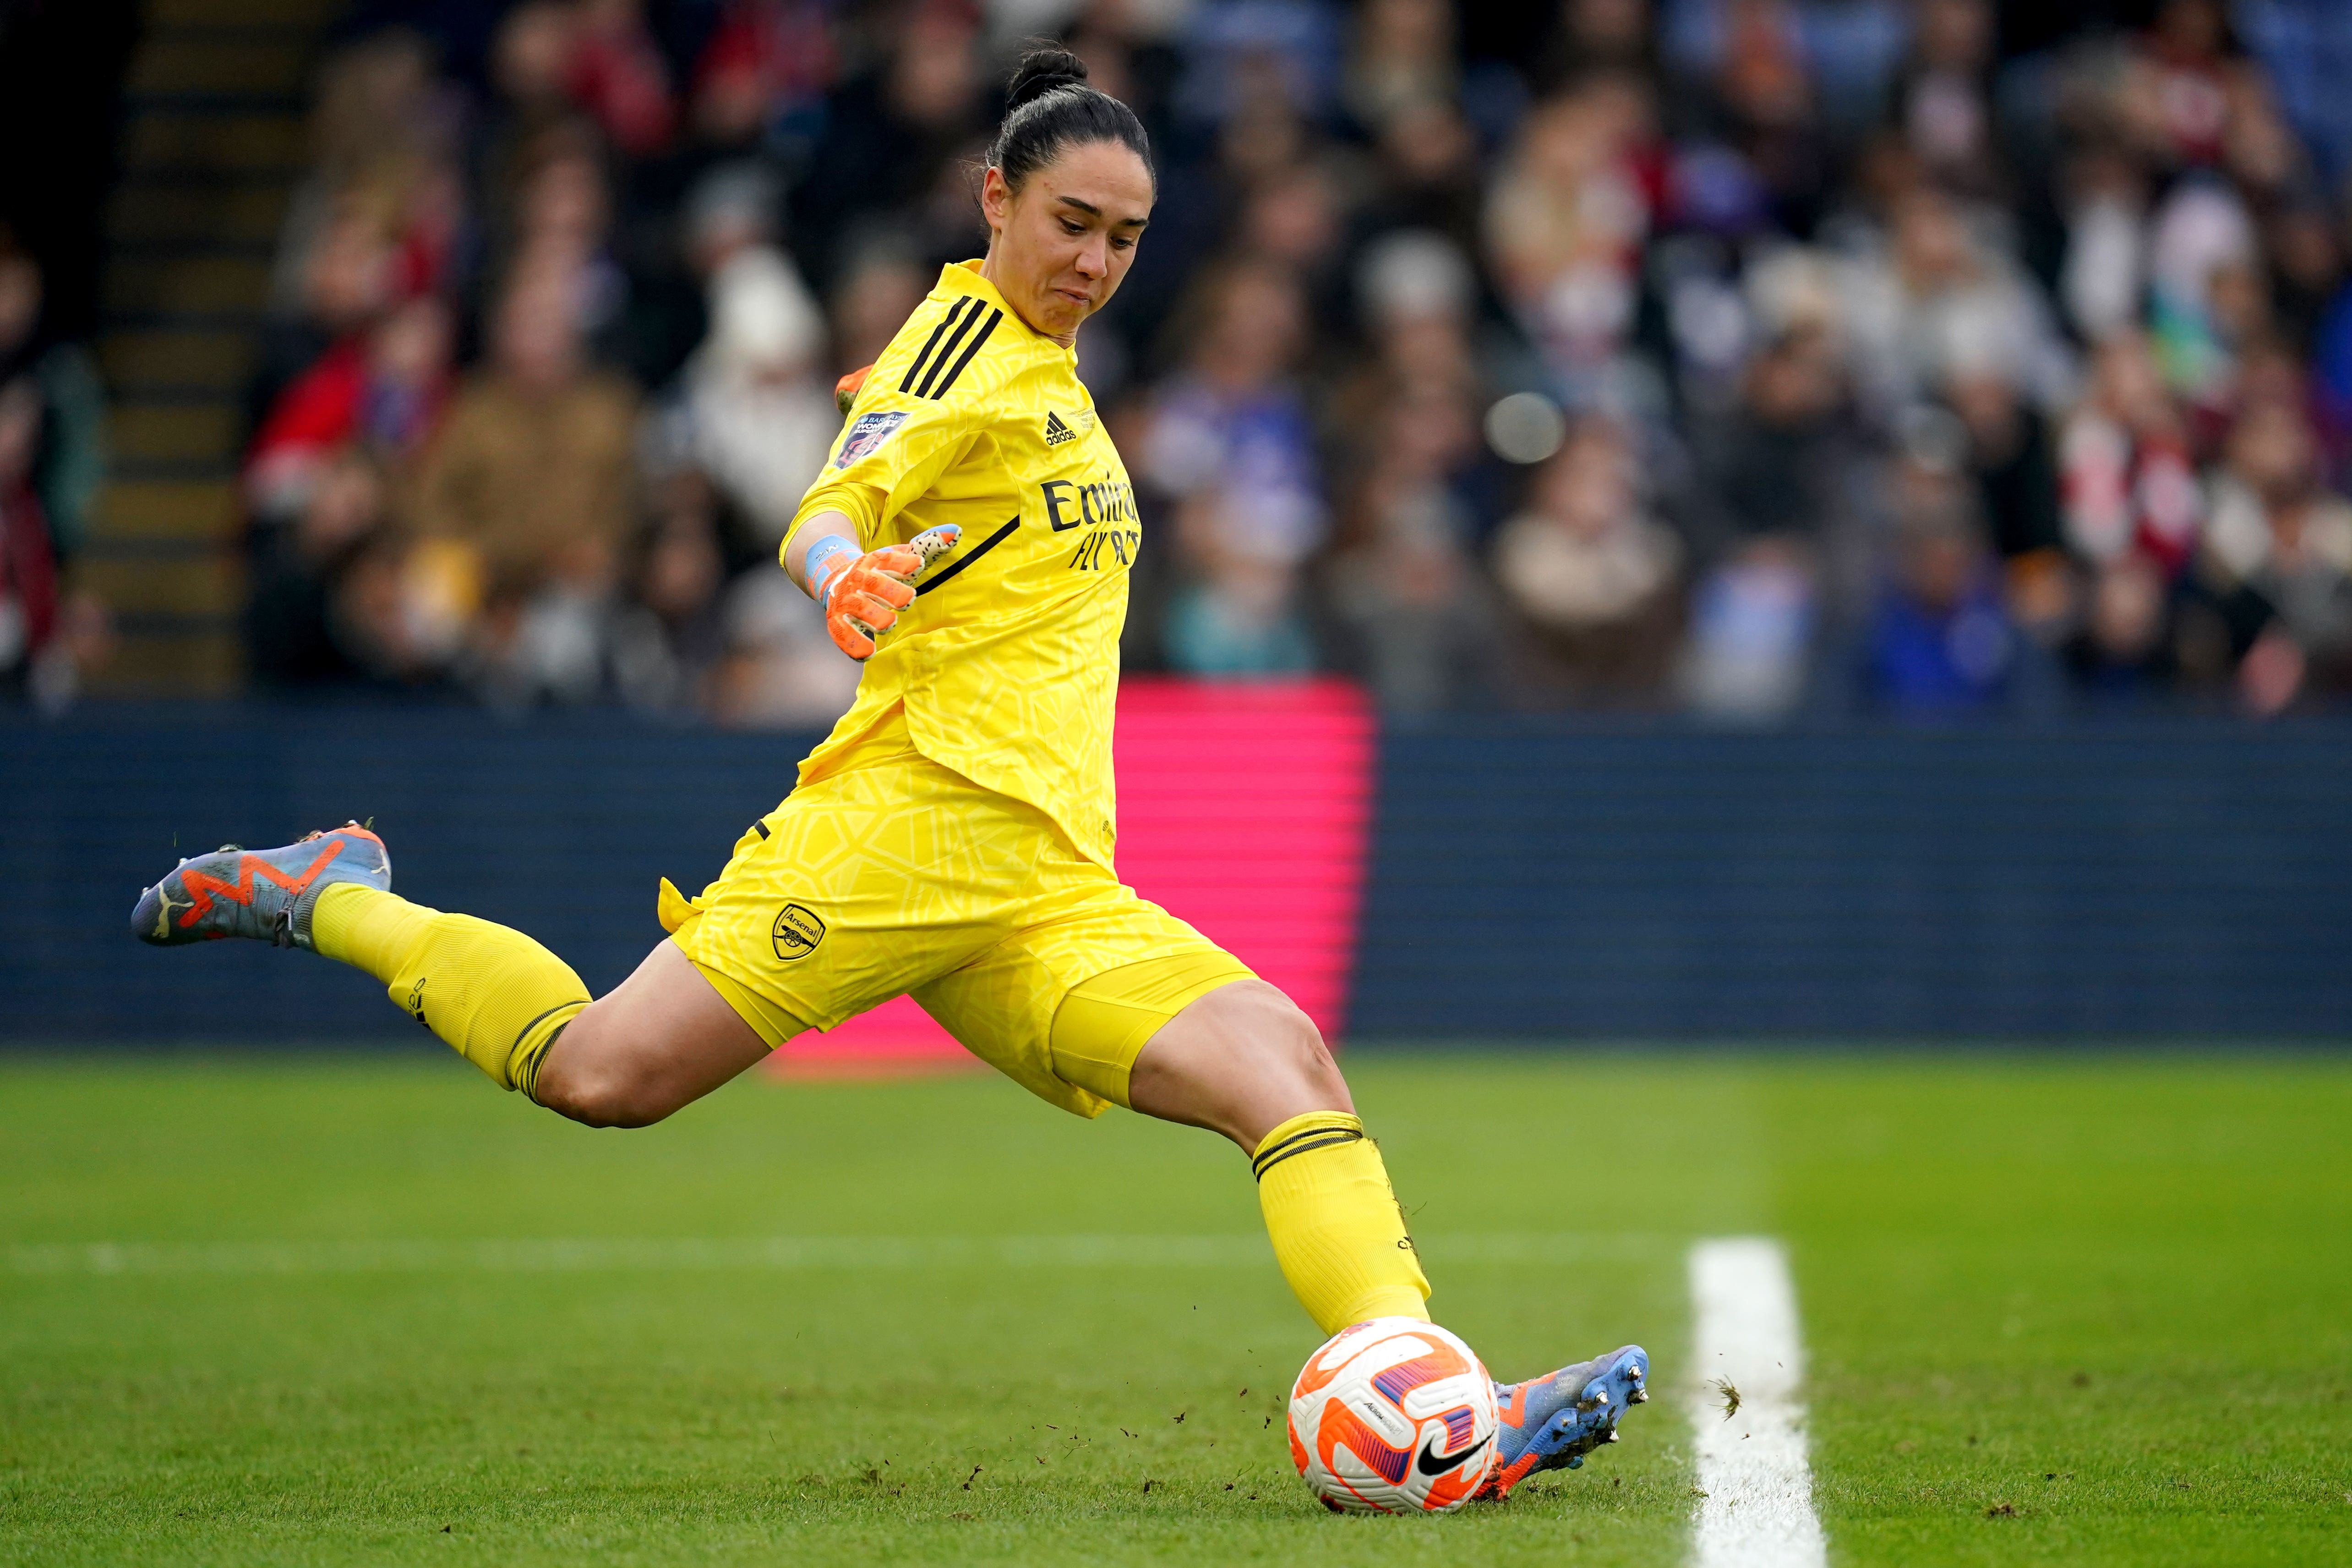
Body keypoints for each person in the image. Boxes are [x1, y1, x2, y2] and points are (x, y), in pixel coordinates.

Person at [130, 45, 1647, 1503]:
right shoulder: (959, 342)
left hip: (1046, 880)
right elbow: (829, 499)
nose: (1097, 260)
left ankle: (1440, 1406)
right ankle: (341, 899)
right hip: (900, 835)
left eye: (1125, 237)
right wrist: (844, 578)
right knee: (602, 1075)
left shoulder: (1055, 370)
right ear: (996, 202)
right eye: (1071, 225)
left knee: (1287, 1067)